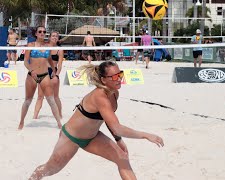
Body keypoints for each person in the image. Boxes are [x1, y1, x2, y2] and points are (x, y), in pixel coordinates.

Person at [29, 61, 164, 180]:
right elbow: (117, 127)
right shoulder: (100, 96)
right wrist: (146, 135)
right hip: (71, 137)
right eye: (115, 76)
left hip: (93, 137)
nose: (119, 79)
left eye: (120, 74)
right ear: (104, 80)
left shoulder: (114, 92)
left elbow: (109, 121)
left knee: (122, 158)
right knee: (50, 169)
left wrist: (119, 140)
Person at [18, 26, 62, 130]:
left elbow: (50, 59)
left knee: (51, 100)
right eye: (40, 31)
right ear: (36, 34)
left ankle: (59, 123)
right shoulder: (31, 45)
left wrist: (54, 71)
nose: (42, 33)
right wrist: (31, 71)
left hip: (45, 75)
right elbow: (25, 61)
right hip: (32, 76)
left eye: (44, 31)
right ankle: (21, 121)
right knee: (28, 101)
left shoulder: (47, 46)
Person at [33, 31, 64, 119]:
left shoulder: (59, 50)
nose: (54, 37)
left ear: (58, 39)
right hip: (43, 72)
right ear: (49, 37)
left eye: (56, 36)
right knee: (40, 96)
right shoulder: (44, 47)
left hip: (53, 72)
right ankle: (35, 116)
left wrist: (57, 76)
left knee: (55, 96)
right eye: (53, 36)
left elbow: (60, 65)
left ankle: (60, 114)